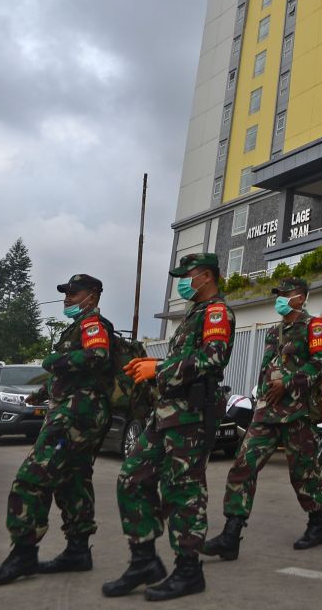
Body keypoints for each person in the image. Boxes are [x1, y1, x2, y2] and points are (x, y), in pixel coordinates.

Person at [103, 253, 234, 601]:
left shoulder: (217, 313)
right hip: (164, 415)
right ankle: (144, 560)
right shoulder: (193, 314)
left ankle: (189, 570)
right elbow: (184, 357)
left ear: (205, 276)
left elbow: (213, 358)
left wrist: (158, 370)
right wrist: (152, 363)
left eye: (186, 275)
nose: (181, 282)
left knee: (184, 491)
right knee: (131, 478)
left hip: (190, 416)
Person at [0, 274, 115, 585]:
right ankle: (78, 551)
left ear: (92, 295)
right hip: (80, 412)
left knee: (32, 478)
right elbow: (78, 374)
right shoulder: (77, 326)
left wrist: (57, 360)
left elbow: (97, 356)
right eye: (66, 293)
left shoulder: (92, 324)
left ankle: (24, 554)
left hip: (75, 416)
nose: (67, 298)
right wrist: (42, 393)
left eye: (74, 293)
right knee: (73, 480)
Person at [204, 276, 322, 560]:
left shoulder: (314, 326)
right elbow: (266, 367)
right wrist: (261, 393)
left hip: (297, 413)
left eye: (285, 294)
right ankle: (231, 534)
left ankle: (316, 524)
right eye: (279, 295)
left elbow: (319, 365)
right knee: (242, 466)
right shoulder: (274, 332)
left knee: (304, 473)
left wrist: (289, 383)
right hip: (266, 413)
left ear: (300, 297)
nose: (279, 299)